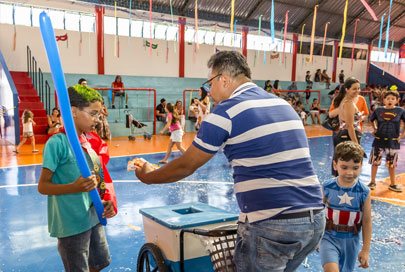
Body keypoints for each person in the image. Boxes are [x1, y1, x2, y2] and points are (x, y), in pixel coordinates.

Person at [135, 51, 325, 271]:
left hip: (272, 223)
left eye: (209, 84)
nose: (209, 92)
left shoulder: (225, 111)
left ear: (223, 79)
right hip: (313, 221)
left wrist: (150, 176)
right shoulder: (283, 104)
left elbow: (187, 164)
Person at [37, 84, 117, 271]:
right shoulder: (57, 144)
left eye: (99, 114)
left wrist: (104, 199)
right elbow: (43, 186)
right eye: (93, 113)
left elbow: (97, 177)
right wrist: (74, 187)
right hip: (71, 223)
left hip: (93, 215)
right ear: (73, 111)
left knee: (100, 261)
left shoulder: (90, 141)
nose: (98, 119)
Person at [320, 141, 371, 272]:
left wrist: (365, 250)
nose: (349, 172)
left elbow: (366, 221)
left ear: (361, 166)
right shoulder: (327, 187)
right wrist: (315, 238)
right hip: (328, 237)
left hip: (351, 241)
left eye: (355, 168)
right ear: (335, 165)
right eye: (344, 167)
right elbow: (317, 213)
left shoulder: (364, 192)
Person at [367, 90, 405, 192]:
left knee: (392, 163)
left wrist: (402, 135)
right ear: (384, 100)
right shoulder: (378, 110)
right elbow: (371, 120)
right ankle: (372, 181)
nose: (390, 100)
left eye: (393, 99)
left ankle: (393, 184)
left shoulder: (401, 111)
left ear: (397, 100)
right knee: (375, 162)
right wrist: (375, 129)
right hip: (379, 140)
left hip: (393, 141)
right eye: (388, 98)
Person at [329, 77, 368, 177]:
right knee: (347, 165)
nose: (357, 91)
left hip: (344, 135)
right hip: (347, 135)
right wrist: (357, 145)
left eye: (359, 88)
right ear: (347, 89)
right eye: (354, 89)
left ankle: (339, 186)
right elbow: (350, 126)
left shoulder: (345, 101)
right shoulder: (348, 103)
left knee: (343, 165)